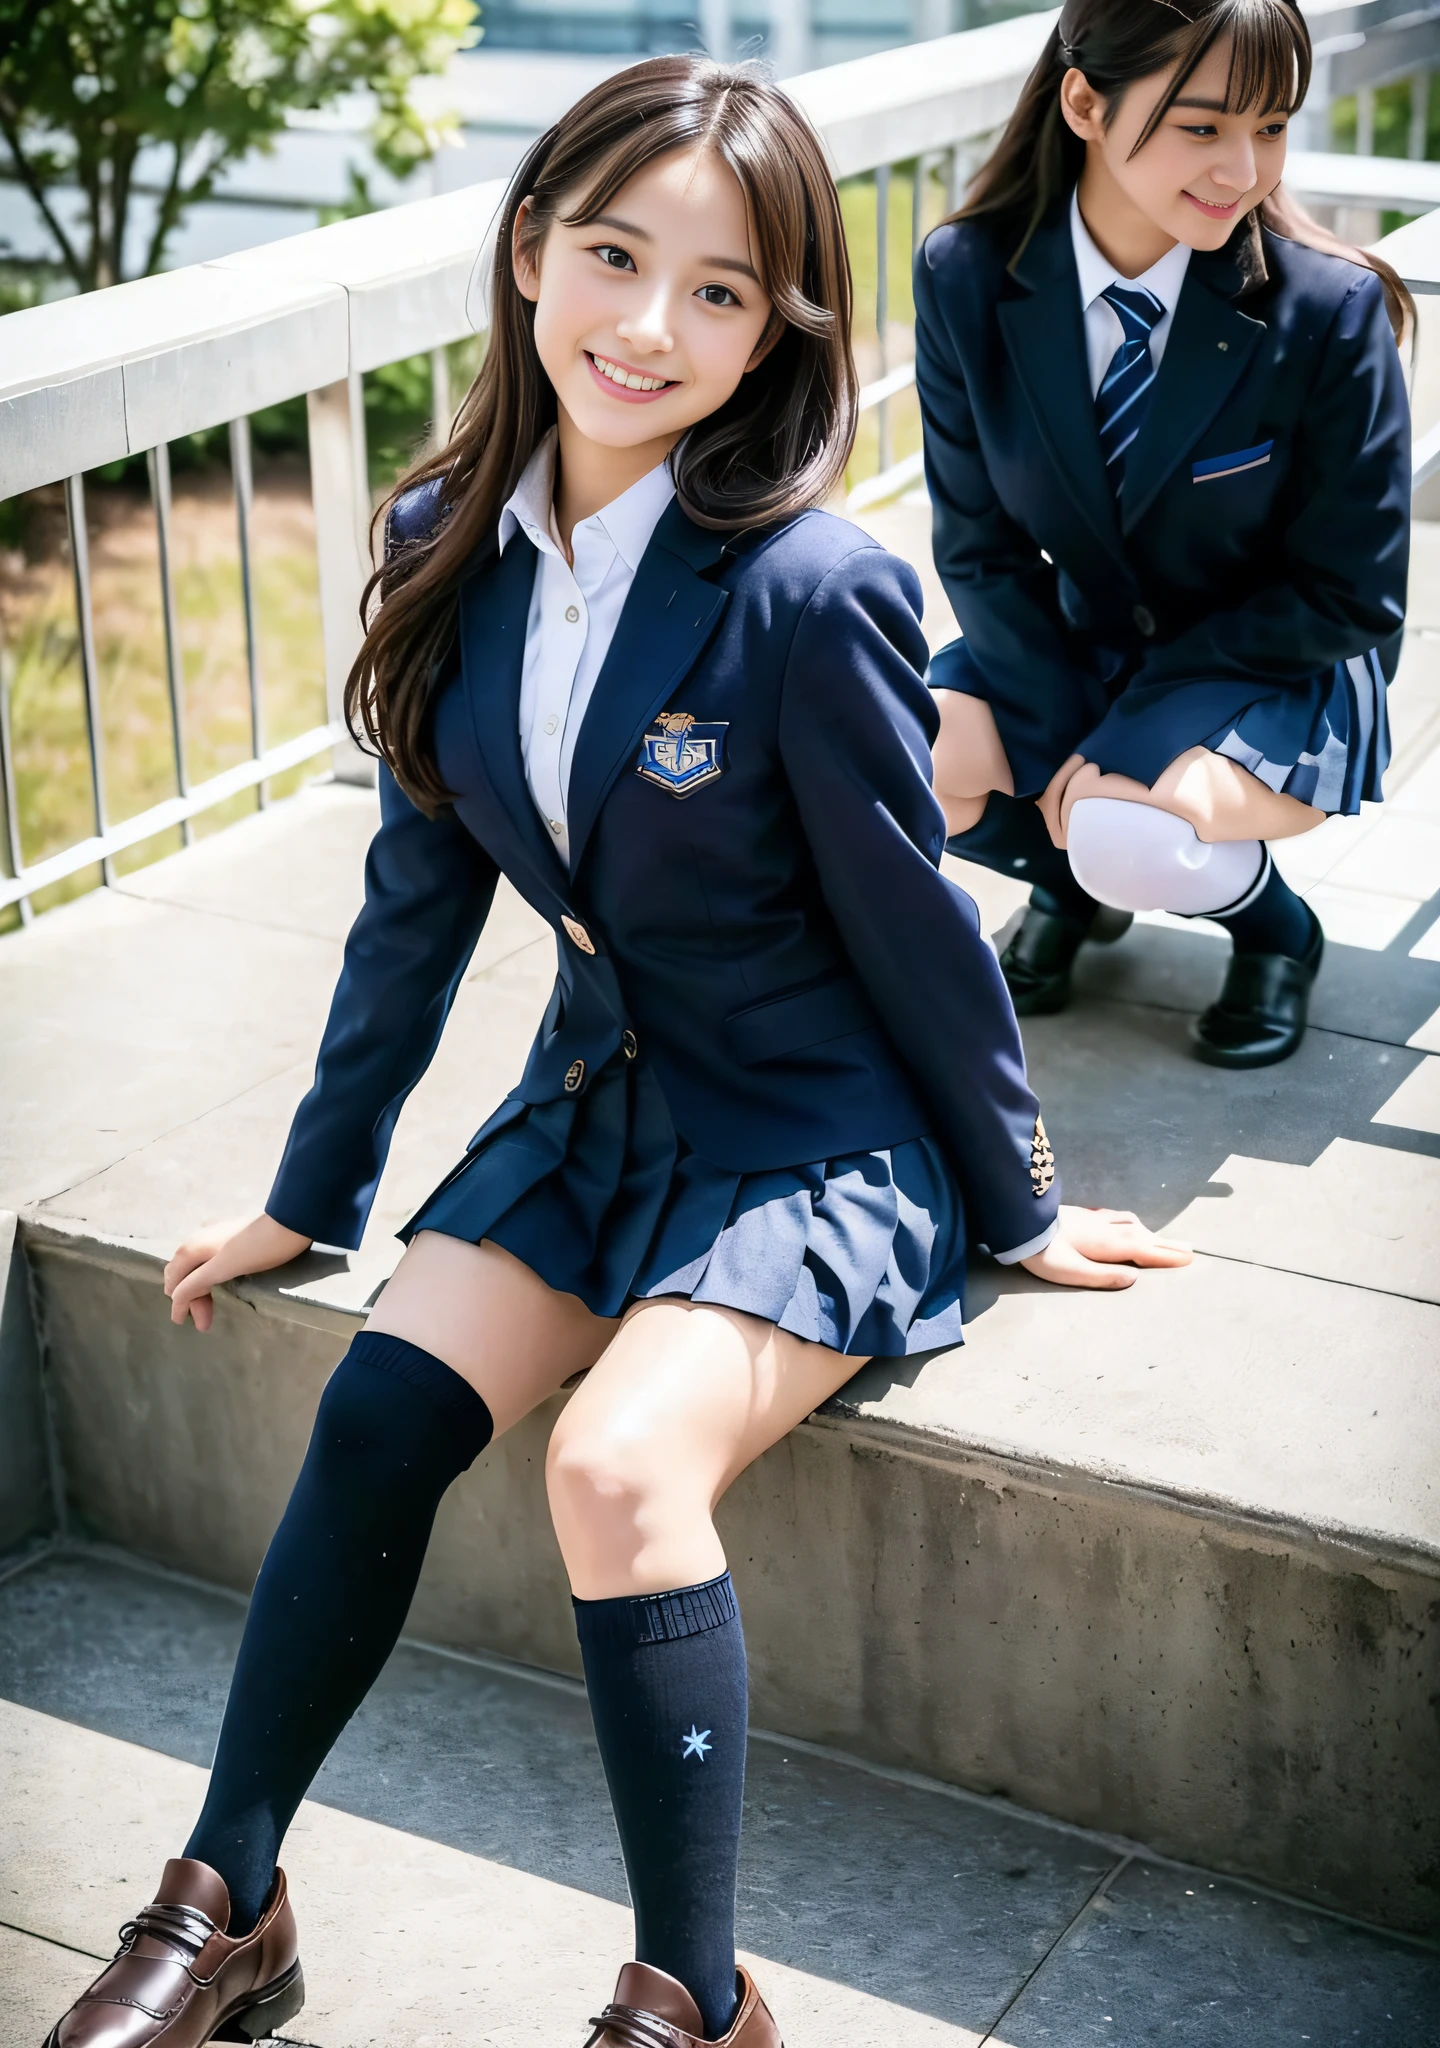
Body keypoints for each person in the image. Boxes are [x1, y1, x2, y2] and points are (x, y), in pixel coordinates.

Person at [43, 56, 1190, 2048]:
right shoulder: (440, 533)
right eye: (613, 255)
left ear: (781, 333)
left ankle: (698, 2002)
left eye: (724, 290)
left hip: (813, 1135)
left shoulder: (813, 591)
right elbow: (419, 905)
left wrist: (1017, 1202)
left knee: (615, 1458)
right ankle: (230, 1892)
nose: (651, 325)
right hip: (594, 1110)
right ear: (527, 252)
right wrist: (311, 1193)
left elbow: (914, 925)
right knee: (380, 1409)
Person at [916, 0, 1412, 1065]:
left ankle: (1274, 927)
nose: (1245, 167)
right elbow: (978, 544)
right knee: (895, 756)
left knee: (1131, 827)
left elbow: (1350, 594)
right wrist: (1064, 738)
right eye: (1202, 127)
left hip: (1277, 652)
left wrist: (1121, 741)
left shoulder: (1328, 310)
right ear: (1086, 102)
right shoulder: (967, 275)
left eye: (1271, 126)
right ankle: (1075, 884)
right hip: (1083, 627)